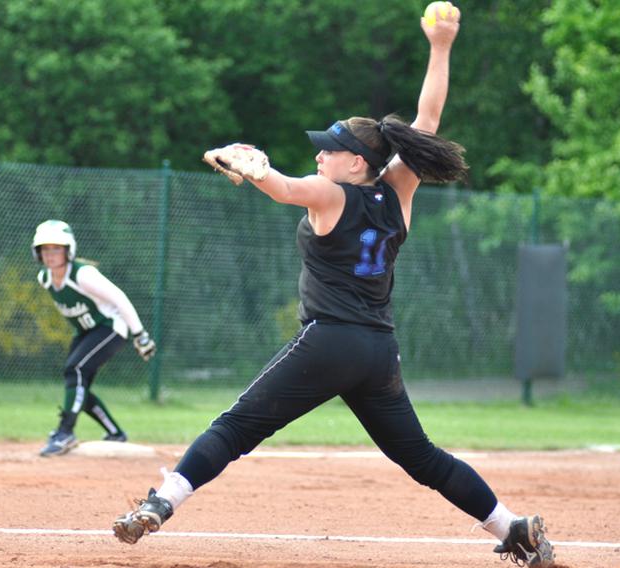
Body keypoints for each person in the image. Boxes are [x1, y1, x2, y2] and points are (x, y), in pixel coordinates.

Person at [112, 4, 554, 567]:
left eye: (330, 148)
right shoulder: (397, 190)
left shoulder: (331, 193)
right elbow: (428, 118)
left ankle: (160, 504)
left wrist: (244, 161)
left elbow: (282, 187)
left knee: (235, 427)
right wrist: (441, 45)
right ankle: (514, 527)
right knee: (422, 458)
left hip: (328, 342)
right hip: (375, 351)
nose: (320, 154)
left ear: (356, 163)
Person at [32, 220, 156, 457]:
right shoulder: (45, 278)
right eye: (45, 249)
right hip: (87, 332)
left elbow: (120, 299)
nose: (50, 254)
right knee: (77, 384)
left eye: (57, 248)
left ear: (69, 249)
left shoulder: (83, 274)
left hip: (111, 327)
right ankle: (115, 433)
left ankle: (65, 433)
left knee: (75, 369)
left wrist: (140, 335)